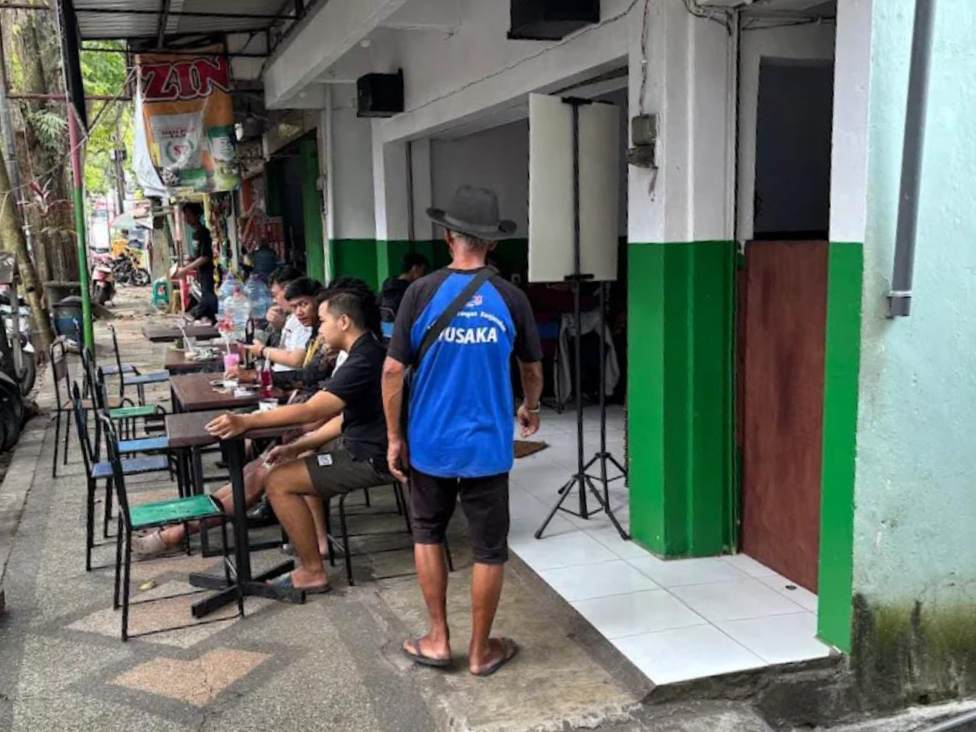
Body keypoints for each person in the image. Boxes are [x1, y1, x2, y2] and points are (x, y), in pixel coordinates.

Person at [382, 185, 544, 676]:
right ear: (492, 242)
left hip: (429, 443)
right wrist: (529, 406)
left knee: (428, 533)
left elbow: (392, 372)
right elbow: (532, 368)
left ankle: (437, 639)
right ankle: (480, 651)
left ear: (449, 235)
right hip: (487, 447)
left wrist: (394, 436)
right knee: (489, 548)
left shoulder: (420, 292)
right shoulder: (511, 297)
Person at [207, 287, 391, 598]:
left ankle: (312, 571)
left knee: (279, 481)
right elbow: (344, 418)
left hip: (370, 457)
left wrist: (246, 421)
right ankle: (310, 558)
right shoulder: (366, 351)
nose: (320, 329)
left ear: (344, 322)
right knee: (281, 466)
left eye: (323, 321)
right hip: (360, 447)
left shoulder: (364, 360)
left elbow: (311, 410)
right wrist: (294, 446)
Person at [236, 277, 318, 373]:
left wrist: (261, 350)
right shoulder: (292, 318)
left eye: (304, 304)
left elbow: (296, 360)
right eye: (294, 306)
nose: (299, 312)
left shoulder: (306, 324)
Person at [175, 202, 218, 323]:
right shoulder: (195, 234)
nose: (186, 219)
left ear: (196, 215)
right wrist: (190, 260)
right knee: (203, 297)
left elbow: (205, 257)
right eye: (185, 216)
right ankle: (206, 319)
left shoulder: (204, 233)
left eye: (188, 215)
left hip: (207, 273)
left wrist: (185, 269)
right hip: (200, 274)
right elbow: (199, 256)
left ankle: (196, 315)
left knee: (207, 299)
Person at [380, 253, 430, 323]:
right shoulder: (411, 290)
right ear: (415, 268)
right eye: (423, 270)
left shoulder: (387, 285)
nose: (425, 274)